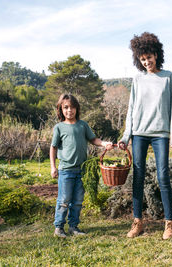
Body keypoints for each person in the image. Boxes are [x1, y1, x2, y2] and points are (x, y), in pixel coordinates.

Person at [118, 32, 172, 240]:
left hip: (160, 134)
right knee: (138, 177)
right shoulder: (137, 79)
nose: (146, 62)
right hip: (139, 134)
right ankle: (138, 222)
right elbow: (131, 109)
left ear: (156, 54)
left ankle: (169, 223)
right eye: (142, 59)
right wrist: (126, 136)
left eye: (149, 57)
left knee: (163, 176)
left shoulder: (168, 77)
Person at [50, 93, 113, 238]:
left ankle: (73, 227)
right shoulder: (59, 127)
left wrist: (104, 144)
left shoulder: (82, 125)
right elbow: (53, 147)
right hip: (66, 170)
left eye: (72, 107)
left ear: (77, 109)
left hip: (81, 170)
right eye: (66, 107)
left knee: (78, 200)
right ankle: (59, 228)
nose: (69, 110)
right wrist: (53, 167)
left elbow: (93, 139)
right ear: (61, 109)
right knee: (64, 200)